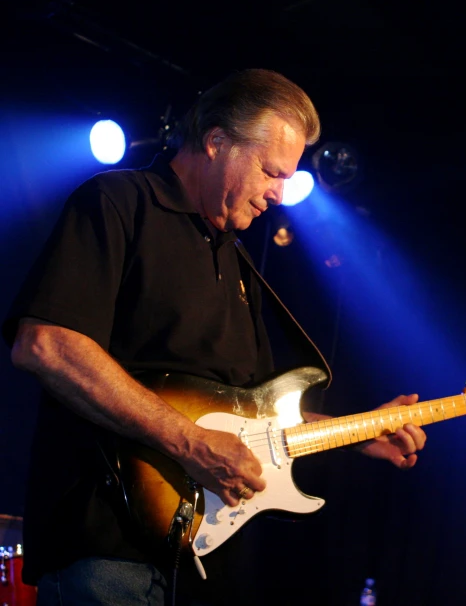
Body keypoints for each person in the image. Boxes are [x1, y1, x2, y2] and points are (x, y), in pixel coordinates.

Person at [3, 68, 427, 605]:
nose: (278, 193)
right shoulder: (119, 201)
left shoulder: (237, 261)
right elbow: (46, 343)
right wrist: (191, 442)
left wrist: (359, 431)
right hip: (106, 544)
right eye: (272, 171)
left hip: (202, 560)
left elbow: (257, 421)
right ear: (216, 140)